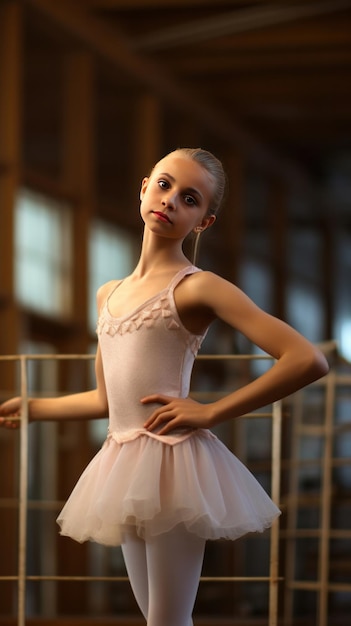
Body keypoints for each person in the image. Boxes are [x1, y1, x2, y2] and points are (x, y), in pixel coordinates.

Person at [0, 148, 328, 626]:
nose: (171, 200)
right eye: (165, 184)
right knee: (157, 618)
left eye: (190, 198)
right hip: (125, 464)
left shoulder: (199, 287)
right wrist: (35, 406)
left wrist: (211, 411)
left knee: (168, 621)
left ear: (204, 222)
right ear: (143, 187)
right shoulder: (107, 294)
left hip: (175, 464)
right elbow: (107, 400)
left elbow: (307, 358)